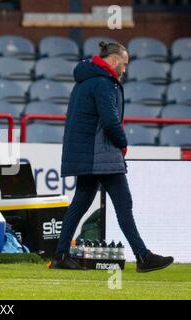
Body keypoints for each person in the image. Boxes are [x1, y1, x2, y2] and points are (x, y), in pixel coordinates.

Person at [50, 42, 174, 272]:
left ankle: (60, 256)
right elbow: (110, 121)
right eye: (124, 64)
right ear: (115, 60)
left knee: (79, 204)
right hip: (102, 155)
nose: (124, 70)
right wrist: (123, 143)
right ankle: (143, 257)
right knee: (123, 204)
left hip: (89, 154)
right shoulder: (105, 84)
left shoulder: (84, 81)